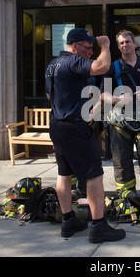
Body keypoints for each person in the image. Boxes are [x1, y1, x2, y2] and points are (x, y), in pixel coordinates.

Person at [45, 28, 125, 243]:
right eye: (87, 47)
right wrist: (105, 46)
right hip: (74, 127)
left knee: (64, 173)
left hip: (58, 125)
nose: (91, 52)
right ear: (74, 46)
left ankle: (68, 221)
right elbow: (102, 66)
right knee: (94, 175)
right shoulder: (73, 61)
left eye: (93, 47)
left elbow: (48, 94)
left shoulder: (52, 65)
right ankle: (99, 227)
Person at [100, 30, 140, 199]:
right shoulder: (113, 67)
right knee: (121, 159)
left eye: (127, 41)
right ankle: (126, 194)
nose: (125, 45)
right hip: (120, 122)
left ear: (134, 43)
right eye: (121, 43)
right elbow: (102, 93)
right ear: (118, 46)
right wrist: (116, 99)